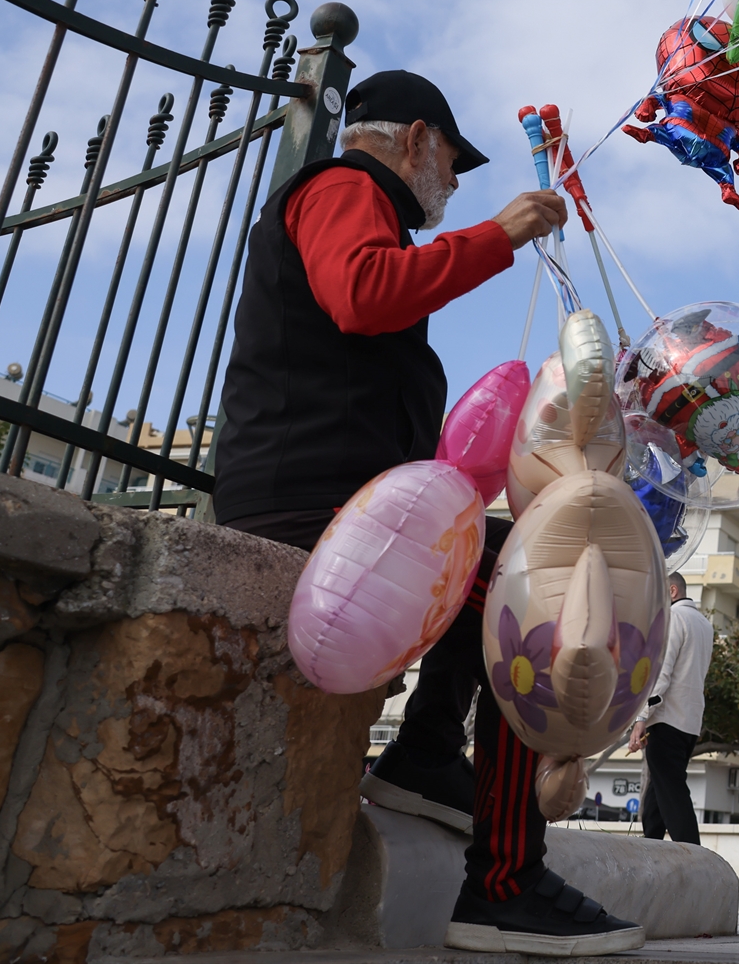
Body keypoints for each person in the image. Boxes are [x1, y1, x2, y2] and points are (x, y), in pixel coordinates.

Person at [213, 72, 644, 957]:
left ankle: (426, 755)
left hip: (334, 493)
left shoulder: (362, 203)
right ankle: (503, 879)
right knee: (533, 588)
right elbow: (364, 293)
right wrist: (497, 236)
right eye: (450, 159)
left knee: (494, 556)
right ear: (416, 139)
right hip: (311, 500)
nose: (451, 182)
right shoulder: (343, 186)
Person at [626, 572, 714, 845]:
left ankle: (693, 854)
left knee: (671, 790)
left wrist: (641, 718)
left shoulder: (674, 618)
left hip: (666, 719)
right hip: (689, 722)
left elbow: (660, 674)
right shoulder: (704, 624)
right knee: (660, 787)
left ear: (673, 591)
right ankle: (650, 842)